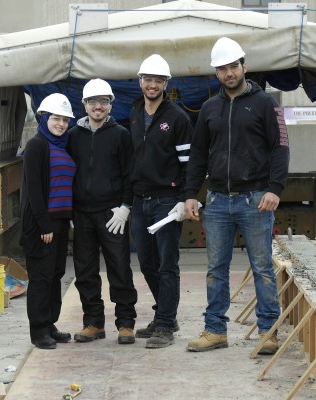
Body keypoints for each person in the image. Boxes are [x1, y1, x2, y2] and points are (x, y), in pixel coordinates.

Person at [184, 37, 290, 355]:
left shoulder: (267, 103)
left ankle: (268, 331)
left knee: (262, 267)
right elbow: (198, 154)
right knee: (216, 268)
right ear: (216, 73)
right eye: (222, 68)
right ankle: (216, 330)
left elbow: (280, 147)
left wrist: (275, 188)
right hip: (217, 201)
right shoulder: (209, 108)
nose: (229, 73)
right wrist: (190, 194)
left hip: (255, 199)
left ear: (244, 66)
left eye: (233, 66)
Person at [67, 78, 138, 345]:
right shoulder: (73, 137)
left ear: (110, 105)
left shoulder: (121, 135)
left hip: (111, 214)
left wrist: (125, 208)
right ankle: (93, 323)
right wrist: (70, 211)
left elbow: (130, 175)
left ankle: (126, 323)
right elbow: (66, 174)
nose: (98, 106)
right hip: (82, 214)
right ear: (84, 105)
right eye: (93, 101)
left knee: (120, 268)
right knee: (85, 271)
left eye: (104, 101)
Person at [129, 54, 193, 348]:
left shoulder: (177, 117)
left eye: (158, 80)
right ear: (140, 81)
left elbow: (187, 163)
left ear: (166, 83)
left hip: (166, 201)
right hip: (140, 200)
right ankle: (166, 314)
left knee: (167, 264)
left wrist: (183, 199)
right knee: (146, 263)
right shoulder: (133, 112)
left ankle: (165, 325)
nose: (152, 85)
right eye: (148, 79)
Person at [20, 93, 76, 350]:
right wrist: (44, 225)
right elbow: (33, 190)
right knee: (41, 278)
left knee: (55, 275)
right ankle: (39, 330)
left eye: (65, 120)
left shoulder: (62, 145)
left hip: (61, 222)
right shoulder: (37, 145)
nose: (61, 124)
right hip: (43, 224)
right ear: (44, 118)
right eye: (56, 118)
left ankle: (50, 323)